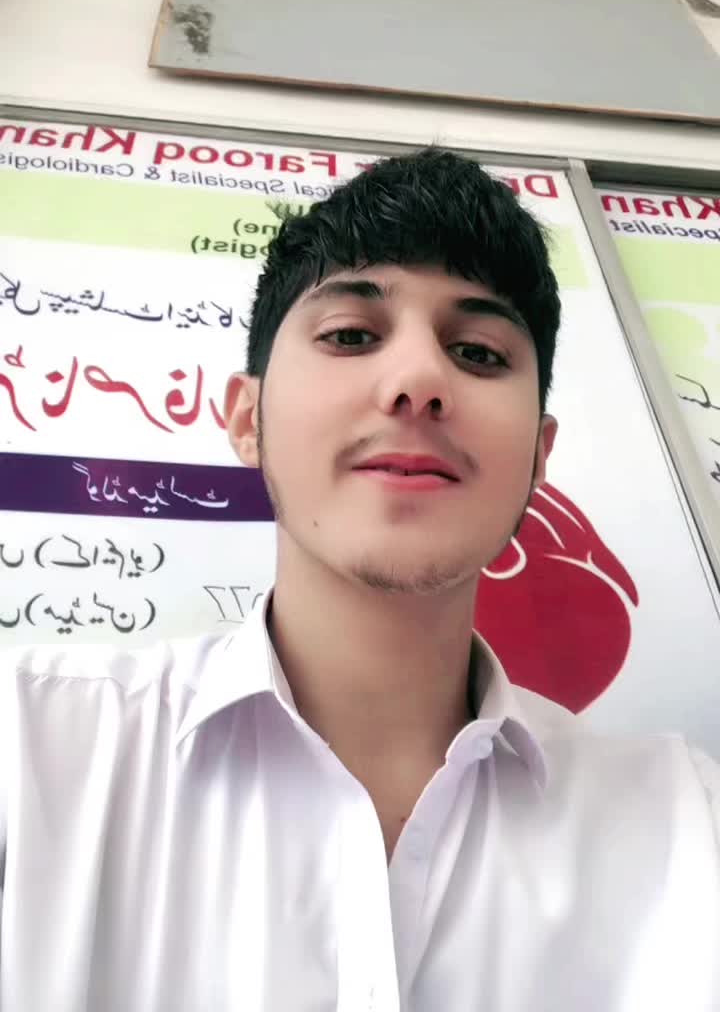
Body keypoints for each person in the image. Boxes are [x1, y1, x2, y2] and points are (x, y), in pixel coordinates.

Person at [1, 148, 719, 1012]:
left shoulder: (688, 825)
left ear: (538, 457)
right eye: (350, 335)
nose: (418, 381)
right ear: (247, 419)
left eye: (479, 352)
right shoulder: (31, 749)